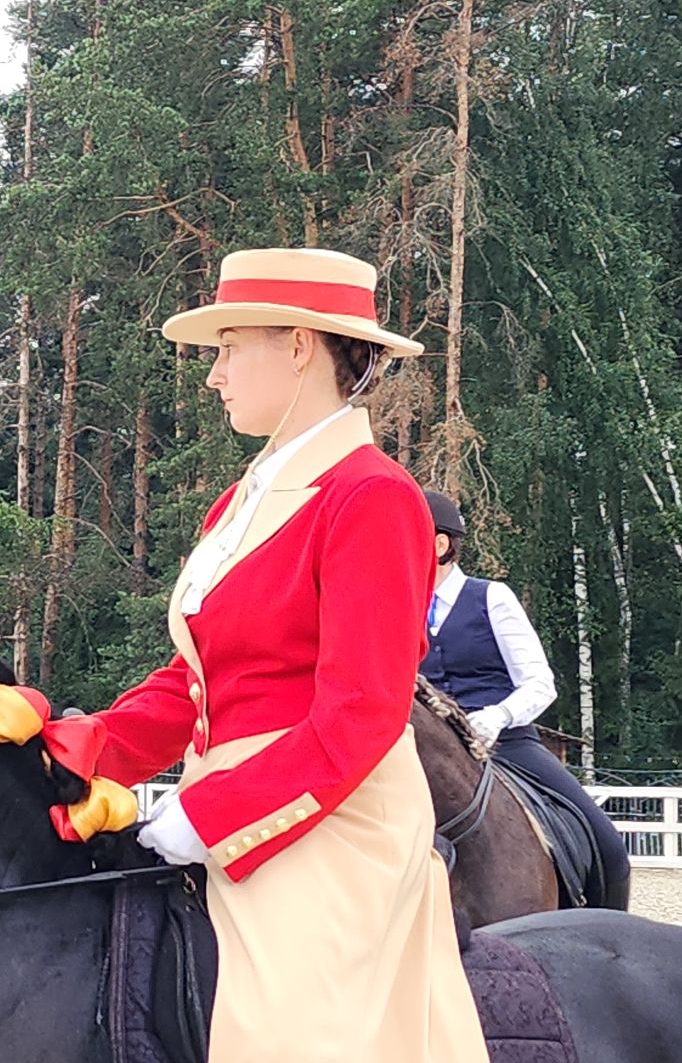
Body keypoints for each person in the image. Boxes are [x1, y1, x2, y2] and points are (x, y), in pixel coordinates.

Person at [48, 248, 488, 1063]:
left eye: (227, 348)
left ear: (296, 345)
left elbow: (362, 713)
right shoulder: (240, 500)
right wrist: (85, 749)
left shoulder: (374, 496)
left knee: (280, 1038)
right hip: (228, 801)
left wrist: (211, 815)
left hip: (332, 821)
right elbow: (193, 685)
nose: (213, 377)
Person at [420, 490, 632, 911]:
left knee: (608, 847)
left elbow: (540, 683)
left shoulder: (491, 598)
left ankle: (607, 942)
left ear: (440, 545)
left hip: (506, 745)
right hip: (426, 754)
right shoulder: (398, 606)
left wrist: (496, 717)